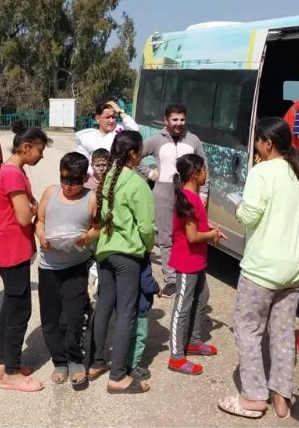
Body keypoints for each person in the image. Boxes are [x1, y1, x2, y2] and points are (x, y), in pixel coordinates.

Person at [218, 117, 299, 419]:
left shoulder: (262, 172)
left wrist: (237, 206)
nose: (256, 146)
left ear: (267, 143)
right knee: (284, 333)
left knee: (248, 330)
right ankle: (281, 397)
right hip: (295, 270)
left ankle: (253, 397)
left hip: (262, 269)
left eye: (258, 141)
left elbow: (249, 215)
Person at [87, 130, 155, 394]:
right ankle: (118, 375)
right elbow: (147, 228)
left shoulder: (107, 180)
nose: (143, 155)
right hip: (127, 255)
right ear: (133, 154)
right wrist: (146, 249)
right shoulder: (137, 184)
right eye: (141, 151)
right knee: (126, 312)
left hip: (105, 252)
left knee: (104, 306)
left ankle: (95, 362)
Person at [0, 124, 52, 393]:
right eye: (39, 151)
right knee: (19, 309)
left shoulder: (14, 171)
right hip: (12, 249)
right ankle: (12, 373)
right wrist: (37, 209)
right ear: (26, 148)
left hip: (12, 248)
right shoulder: (13, 174)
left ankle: (2, 361)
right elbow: (25, 216)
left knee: (10, 304)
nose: (41, 156)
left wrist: (32, 205)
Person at [35, 152, 99, 389]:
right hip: (48, 267)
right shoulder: (51, 193)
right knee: (50, 319)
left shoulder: (91, 198)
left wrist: (85, 238)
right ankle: (59, 360)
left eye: (75, 181)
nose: (69, 186)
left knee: (72, 318)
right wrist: (41, 234)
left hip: (75, 267)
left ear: (85, 177)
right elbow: (39, 221)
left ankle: (75, 358)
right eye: (65, 179)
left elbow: (98, 228)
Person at [136, 103, 208, 298]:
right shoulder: (156, 140)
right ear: (166, 120)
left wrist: (203, 193)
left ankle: (188, 272)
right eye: (174, 120)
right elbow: (135, 156)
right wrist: (150, 173)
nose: (179, 124)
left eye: (182, 119)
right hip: (164, 192)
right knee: (167, 237)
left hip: (188, 193)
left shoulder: (193, 140)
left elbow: (204, 166)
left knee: (188, 234)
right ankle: (170, 280)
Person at [167, 154, 222, 375]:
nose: (206, 174)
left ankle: (194, 341)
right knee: (182, 306)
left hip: (197, 261)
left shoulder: (194, 197)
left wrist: (213, 228)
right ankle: (176, 357)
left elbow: (198, 224)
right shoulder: (188, 199)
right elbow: (191, 236)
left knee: (203, 297)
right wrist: (211, 234)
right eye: (204, 170)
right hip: (186, 261)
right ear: (194, 174)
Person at [75, 101, 139, 180]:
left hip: (118, 179)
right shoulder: (87, 137)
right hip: (95, 180)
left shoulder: (120, 131)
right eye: (107, 117)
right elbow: (82, 161)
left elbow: (135, 131)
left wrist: (120, 111)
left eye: (113, 117)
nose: (111, 121)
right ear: (97, 118)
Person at [125, 256, 160, 382]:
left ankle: (125, 360)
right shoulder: (143, 261)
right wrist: (157, 288)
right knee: (140, 336)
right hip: (141, 307)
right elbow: (147, 284)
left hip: (126, 306)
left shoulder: (125, 258)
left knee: (128, 334)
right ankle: (133, 365)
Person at [86, 148, 111, 295]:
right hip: (91, 225)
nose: (101, 168)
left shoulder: (111, 181)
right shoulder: (87, 182)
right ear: (92, 164)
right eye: (98, 165)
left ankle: (102, 282)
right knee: (90, 253)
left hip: (105, 225)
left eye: (104, 164)